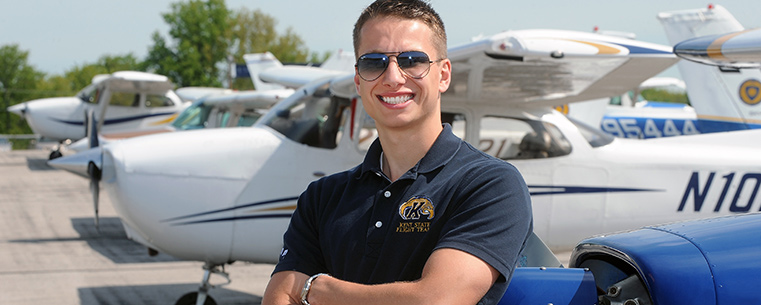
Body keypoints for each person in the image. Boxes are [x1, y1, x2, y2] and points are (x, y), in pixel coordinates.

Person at [261, 1, 533, 304]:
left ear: (443, 75)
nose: (392, 76)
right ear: (358, 81)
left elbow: (434, 301)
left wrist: (316, 289)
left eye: (412, 60)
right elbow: (279, 296)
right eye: (373, 62)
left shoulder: (491, 184)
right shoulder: (321, 197)